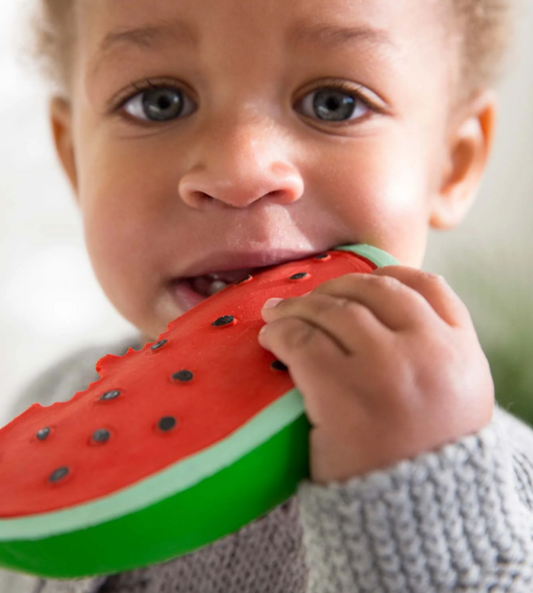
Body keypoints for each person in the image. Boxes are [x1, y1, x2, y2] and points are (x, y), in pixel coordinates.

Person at [2, 0, 533, 591]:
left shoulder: (510, 488)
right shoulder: (49, 404)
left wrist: (417, 505)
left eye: (335, 103)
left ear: (452, 166)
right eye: (159, 103)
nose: (240, 171)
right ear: (75, 160)